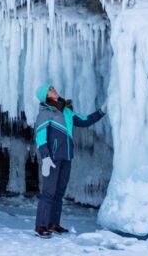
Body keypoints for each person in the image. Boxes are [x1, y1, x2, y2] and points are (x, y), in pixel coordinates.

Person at [32, 84, 105, 238]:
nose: (54, 90)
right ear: (45, 96)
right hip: (52, 158)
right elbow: (40, 136)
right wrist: (45, 157)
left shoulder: (66, 112)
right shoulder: (45, 113)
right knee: (48, 192)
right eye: (50, 90)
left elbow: (85, 121)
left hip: (66, 157)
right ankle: (41, 226)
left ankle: (53, 223)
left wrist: (102, 111)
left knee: (59, 193)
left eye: (53, 88)